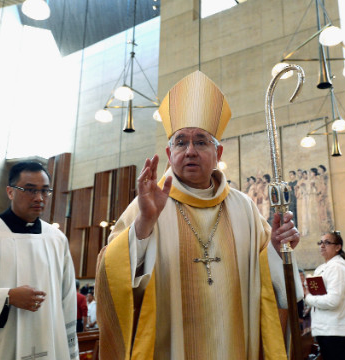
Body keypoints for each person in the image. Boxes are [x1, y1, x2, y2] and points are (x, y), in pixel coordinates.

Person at [95, 71, 302, 359]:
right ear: (169, 153)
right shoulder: (149, 204)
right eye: (181, 142)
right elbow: (110, 274)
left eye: (201, 141)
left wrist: (278, 248)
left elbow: (267, 280)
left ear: (218, 152)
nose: (190, 151)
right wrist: (144, 225)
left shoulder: (244, 207)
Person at [0, 161, 78, 360]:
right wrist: (7, 297)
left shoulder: (57, 239)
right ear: (10, 191)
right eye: (30, 190)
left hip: (49, 341)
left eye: (45, 191)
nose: (39, 198)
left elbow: (67, 299)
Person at [304, 232, 345, 359]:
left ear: (338, 247)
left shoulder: (337, 268)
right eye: (320, 242)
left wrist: (308, 298)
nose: (322, 246)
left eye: (326, 242)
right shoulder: (325, 267)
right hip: (327, 329)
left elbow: (333, 301)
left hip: (334, 331)